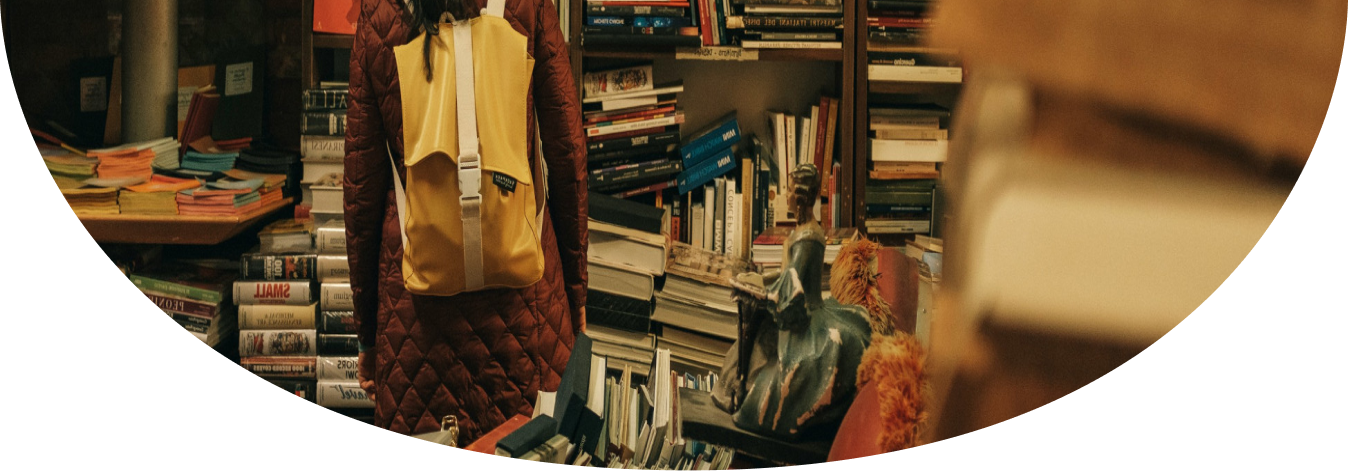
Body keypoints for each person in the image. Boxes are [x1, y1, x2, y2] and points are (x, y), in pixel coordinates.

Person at [343, 0, 588, 441]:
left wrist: (367, 335)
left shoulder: (379, 13)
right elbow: (567, 154)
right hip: (527, 312)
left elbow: (360, 190)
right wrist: (576, 292)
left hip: (414, 320)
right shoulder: (528, 5)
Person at [723, 164, 873, 440]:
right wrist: (759, 279)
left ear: (801, 196)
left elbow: (794, 282)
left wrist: (767, 289)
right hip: (791, 301)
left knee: (759, 334)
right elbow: (786, 275)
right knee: (750, 333)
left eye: (790, 190)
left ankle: (745, 391)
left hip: (804, 317)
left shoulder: (809, 238)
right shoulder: (799, 231)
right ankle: (736, 386)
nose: (786, 196)